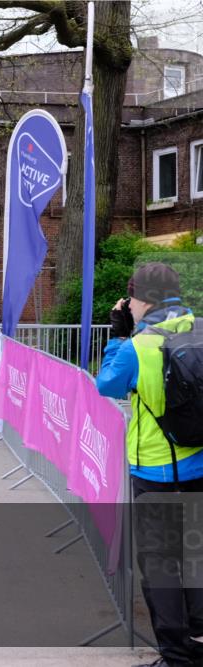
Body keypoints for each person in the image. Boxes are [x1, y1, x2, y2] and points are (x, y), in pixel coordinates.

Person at [95, 263, 200, 667]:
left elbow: (107, 384)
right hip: (198, 464)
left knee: (161, 569)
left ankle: (177, 656)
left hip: (155, 471)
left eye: (132, 297)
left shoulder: (139, 345)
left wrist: (120, 336)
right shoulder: (200, 327)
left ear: (143, 299)